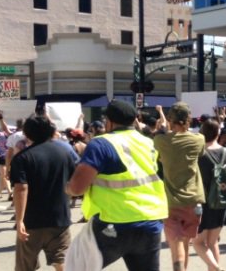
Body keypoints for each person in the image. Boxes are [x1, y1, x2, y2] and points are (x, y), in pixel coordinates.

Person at [66, 101, 169, 270]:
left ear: (109, 121)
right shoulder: (148, 142)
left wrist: (66, 187)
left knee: (77, 265)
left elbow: (77, 188)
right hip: (150, 221)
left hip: (114, 221)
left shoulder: (101, 143)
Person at [11, 115, 76, 271]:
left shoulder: (22, 157)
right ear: (51, 131)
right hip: (60, 219)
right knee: (61, 261)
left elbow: (21, 188)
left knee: (25, 265)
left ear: (27, 134)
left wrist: (19, 220)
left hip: (32, 221)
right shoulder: (65, 153)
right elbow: (73, 182)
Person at [152, 102, 206, 271]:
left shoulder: (161, 141)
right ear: (188, 120)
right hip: (194, 200)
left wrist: (160, 128)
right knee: (185, 243)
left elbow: (157, 156)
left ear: (170, 120)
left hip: (172, 202)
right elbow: (201, 154)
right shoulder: (199, 139)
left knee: (176, 247)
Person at [193, 118, 226, 271]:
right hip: (222, 201)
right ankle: (215, 268)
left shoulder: (198, 153)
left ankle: (216, 268)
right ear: (218, 133)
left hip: (203, 202)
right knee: (213, 242)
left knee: (197, 242)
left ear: (202, 133)